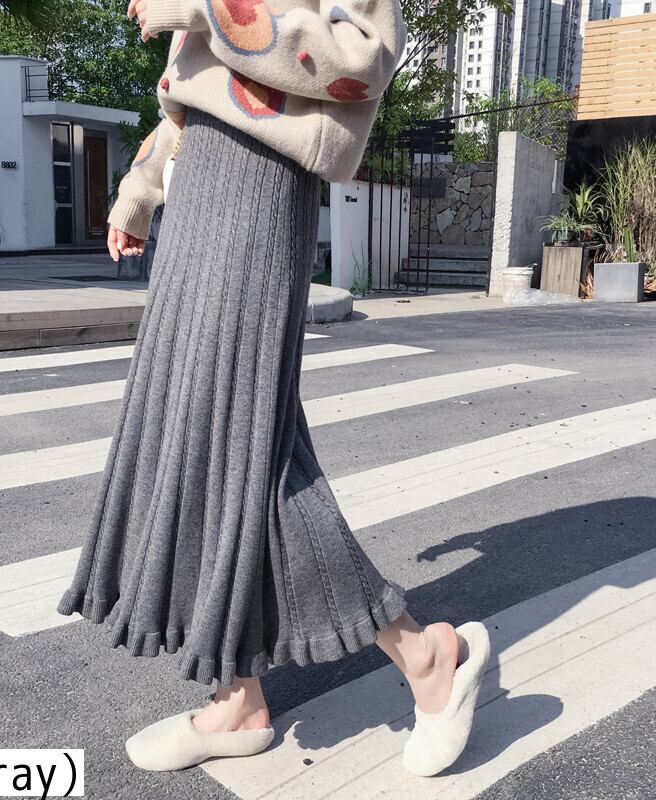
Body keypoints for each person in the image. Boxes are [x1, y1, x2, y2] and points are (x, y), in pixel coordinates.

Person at [57, 0, 491, 777]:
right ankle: (238, 696)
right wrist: (142, 187)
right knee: (204, 435)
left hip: (261, 176)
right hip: (204, 178)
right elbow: (196, 79)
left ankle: (424, 654)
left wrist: (202, 6)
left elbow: (362, 55)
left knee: (237, 439)